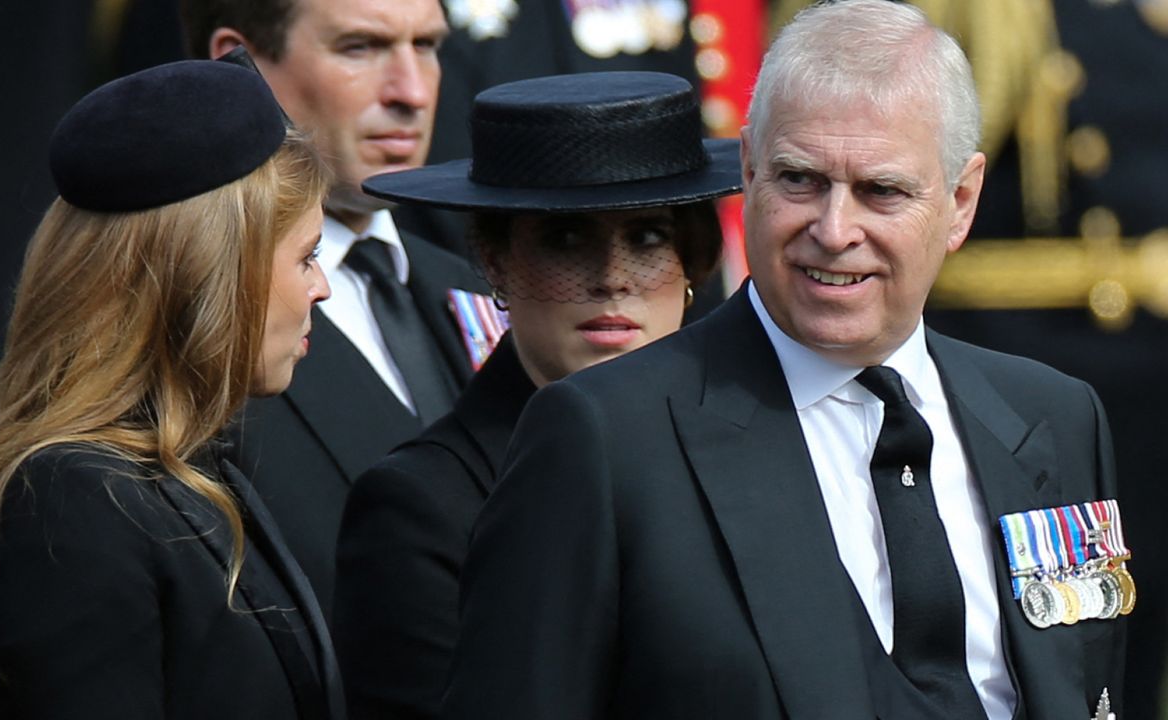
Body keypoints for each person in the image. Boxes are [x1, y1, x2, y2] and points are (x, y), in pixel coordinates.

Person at [442, 2, 1128, 719]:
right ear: (748, 170)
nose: (834, 231)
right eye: (800, 180)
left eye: (880, 191)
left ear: (960, 201)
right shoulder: (604, 439)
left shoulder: (1052, 415)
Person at [0, 61, 345, 720]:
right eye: (306, 257)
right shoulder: (72, 502)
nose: (321, 289)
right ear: (212, 276)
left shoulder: (182, 465)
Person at [333, 70, 740, 720]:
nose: (612, 278)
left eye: (647, 237)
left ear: (695, 260)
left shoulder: (755, 453)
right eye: (566, 239)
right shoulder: (422, 507)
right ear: (495, 263)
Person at [179, 0, 489, 612]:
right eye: (360, 48)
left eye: (426, 46)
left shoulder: (481, 291)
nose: (412, 91)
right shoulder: (187, 321)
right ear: (236, 65)